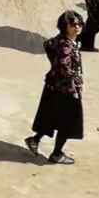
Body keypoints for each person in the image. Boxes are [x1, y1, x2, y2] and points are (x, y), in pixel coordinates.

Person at [25, 11, 86, 164]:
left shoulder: (57, 41)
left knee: (50, 117)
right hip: (66, 90)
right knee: (67, 124)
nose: (77, 27)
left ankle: (35, 139)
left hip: (52, 86)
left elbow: (48, 45)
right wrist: (74, 88)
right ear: (65, 26)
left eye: (79, 24)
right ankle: (56, 153)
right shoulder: (67, 45)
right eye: (73, 24)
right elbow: (65, 68)